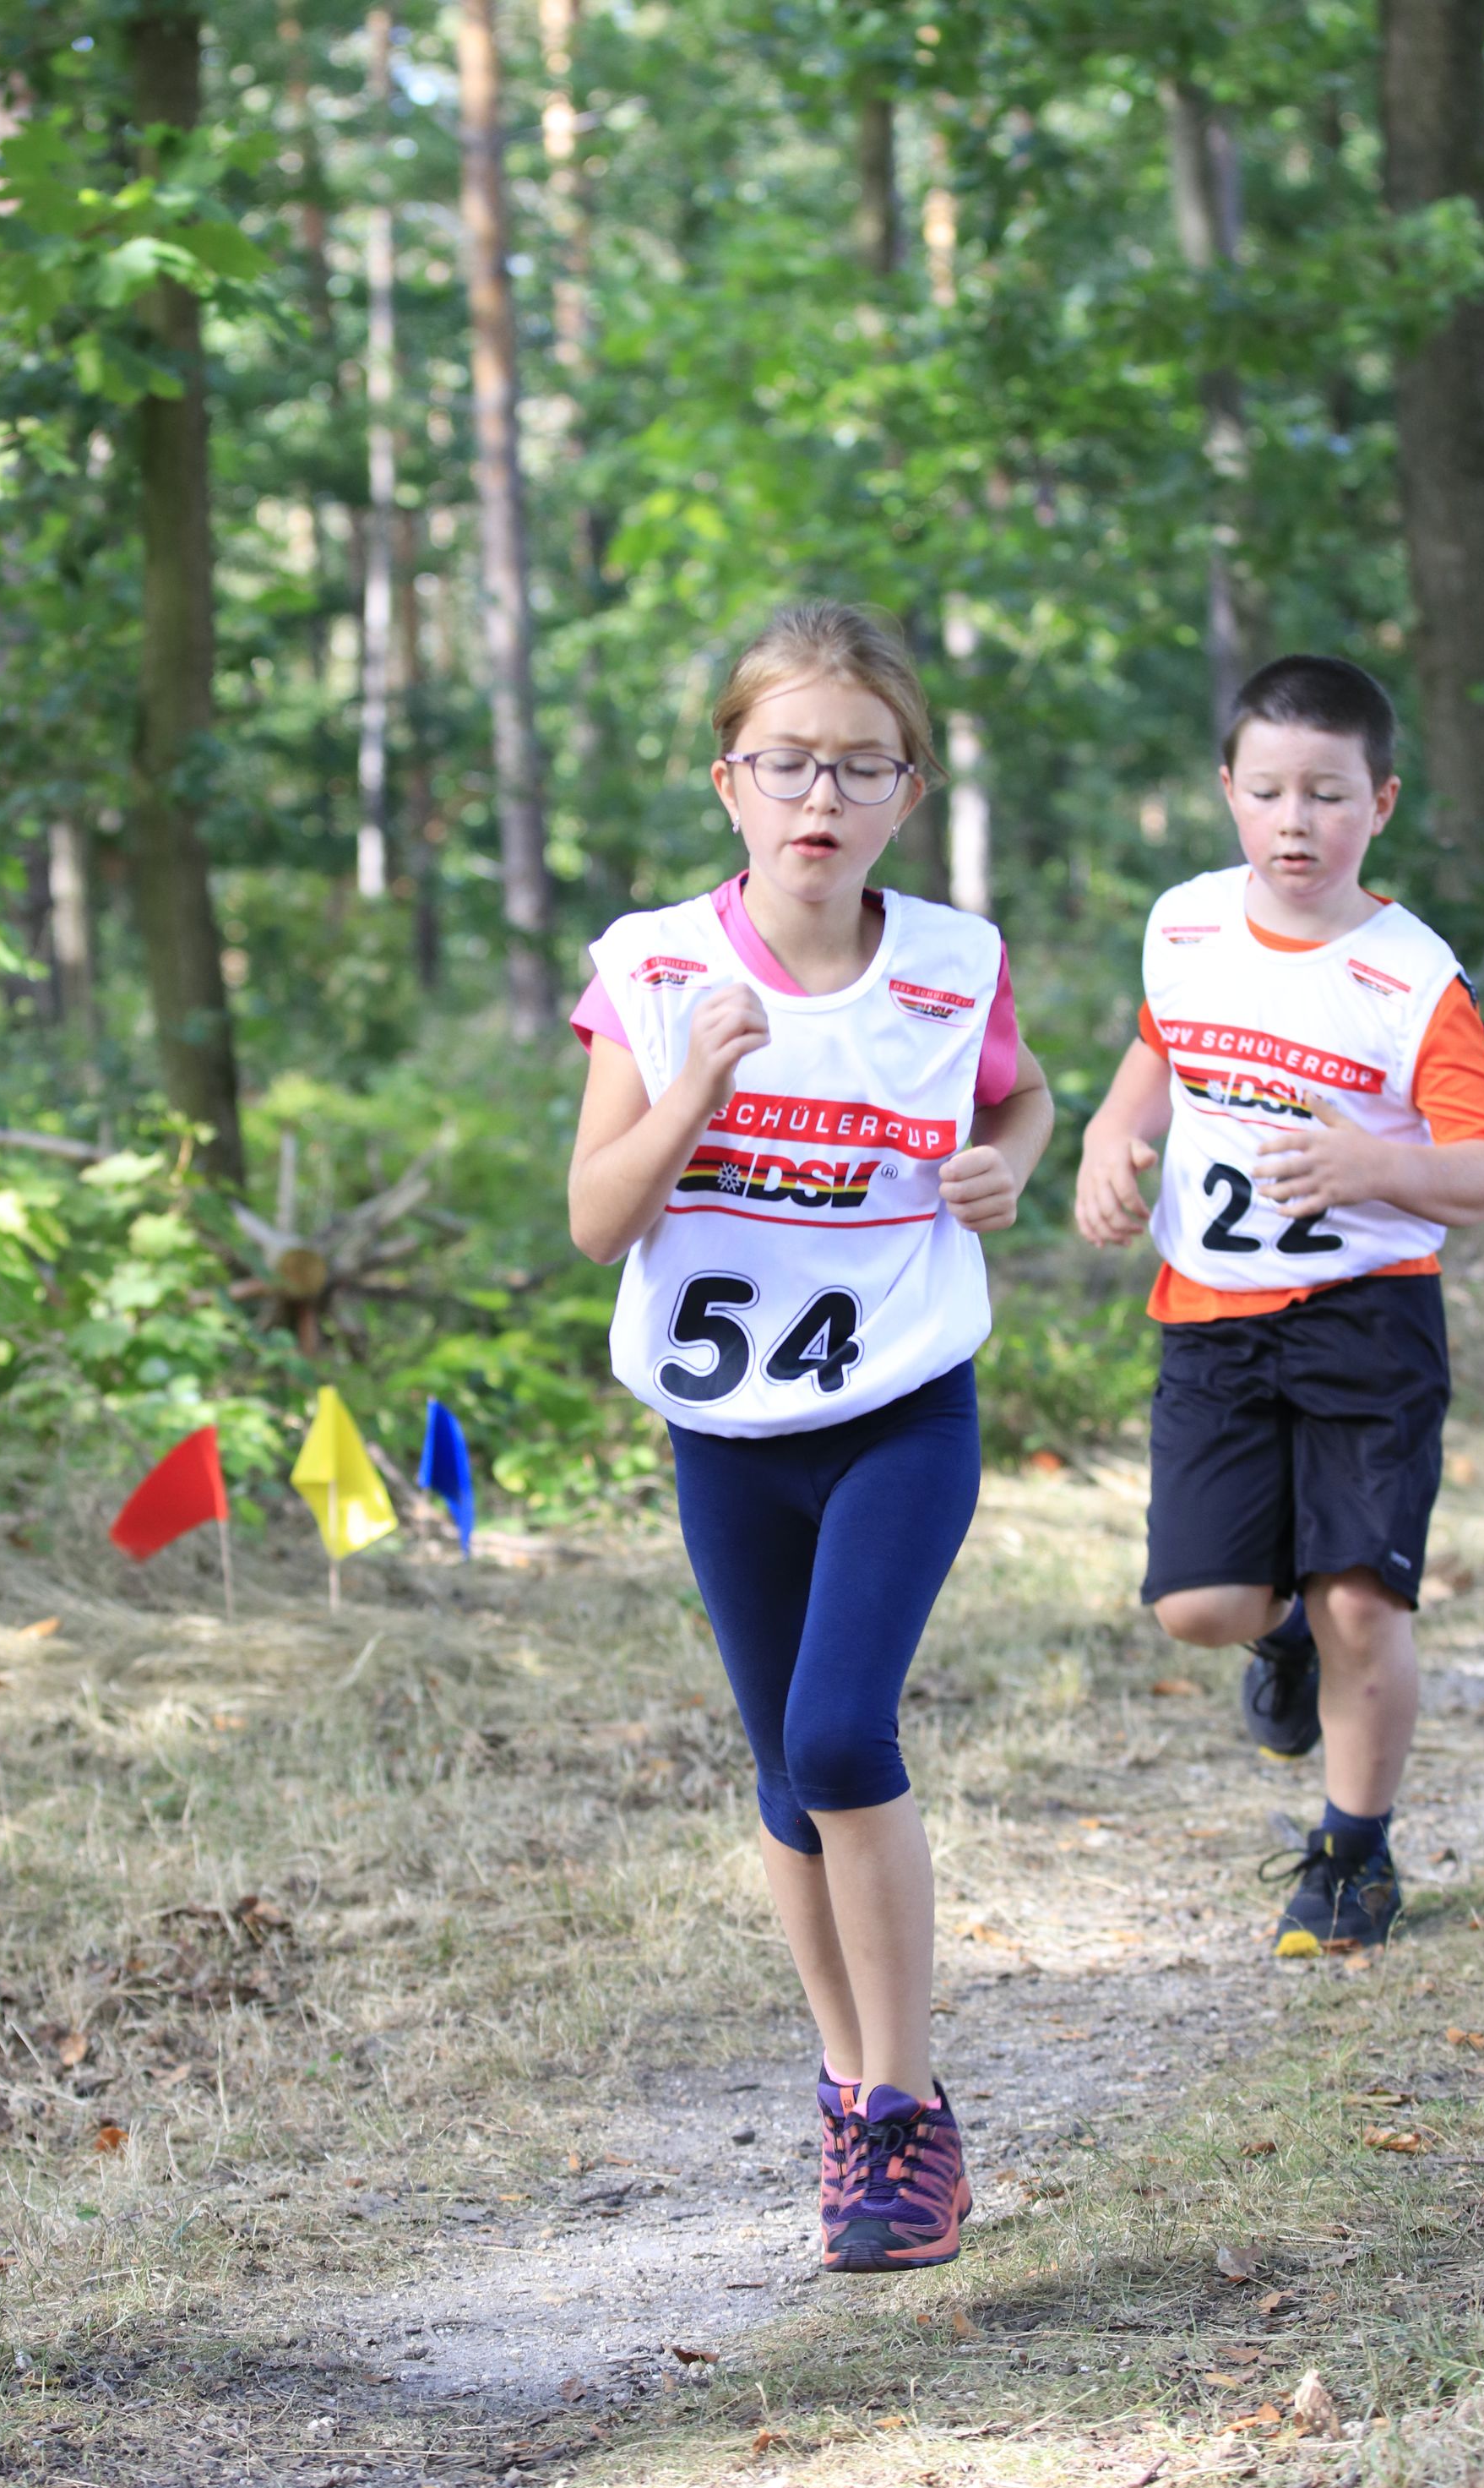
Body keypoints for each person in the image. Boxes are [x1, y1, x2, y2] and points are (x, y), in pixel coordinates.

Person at [568, 602, 1053, 2269]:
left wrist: (1009, 1163)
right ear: (730, 781)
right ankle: (851, 2094)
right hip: (727, 1429)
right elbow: (596, 1218)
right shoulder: (652, 969)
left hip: (901, 1402)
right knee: (784, 1768)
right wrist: (692, 1091)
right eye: (787, 763)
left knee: (843, 1734)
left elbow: (1017, 1092)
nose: (820, 797)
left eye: (859, 766)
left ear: (908, 791)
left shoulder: (952, 960)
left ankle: (909, 2113)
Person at [1075, 655, 1484, 1957]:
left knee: (1362, 1602)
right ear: (1228, 790)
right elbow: (1160, 1047)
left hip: (1364, 1317)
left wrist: (1374, 1166)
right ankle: (1281, 1643)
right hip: (1211, 1312)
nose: (1295, 822)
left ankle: (1354, 1852)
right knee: (1202, 1609)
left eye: (1327, 795)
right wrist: (1112, 1135)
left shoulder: (1412, 978)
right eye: (1269, 791)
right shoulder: (1185, 923)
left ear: (1379, 804)